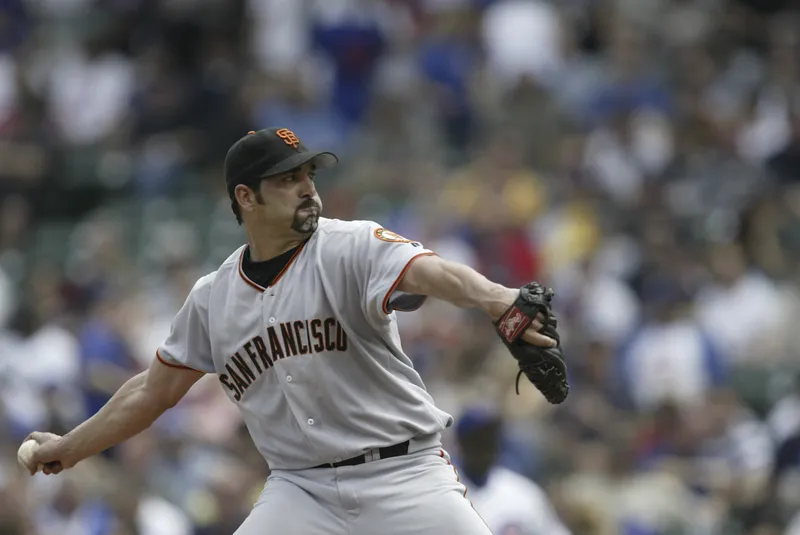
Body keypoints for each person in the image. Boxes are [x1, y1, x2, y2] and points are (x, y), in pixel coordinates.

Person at [19, 127, 559, 535]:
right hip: (300, 490)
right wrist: (70, 447)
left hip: (404, 473)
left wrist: (500, 299)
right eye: (287, 179)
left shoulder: (349, 243)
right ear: (246, 198)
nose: (307, 188)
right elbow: (150, 391)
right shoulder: (213, 298)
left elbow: (427, 271)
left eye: (308, 176)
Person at [454, 407, 572, 535]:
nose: (487, 446)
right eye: (478, 439)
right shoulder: (446, 492)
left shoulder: (523, 492)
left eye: (491, 437)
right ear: (461, 443)